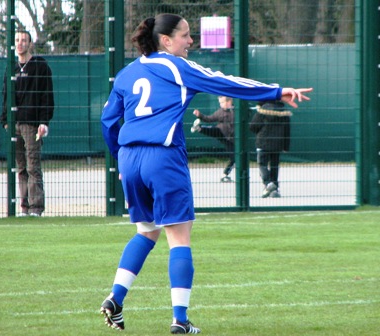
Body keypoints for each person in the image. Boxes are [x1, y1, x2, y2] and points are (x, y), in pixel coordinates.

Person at [100, 13, 312, 334]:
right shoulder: (178, 67)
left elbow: (107, 121)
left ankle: (116, 298)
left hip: (130, 159)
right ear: (166, 40)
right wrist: (276, 91)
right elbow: (225, 82)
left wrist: (119, 160)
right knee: (179, 237)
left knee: (147, 231)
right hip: (163, 156)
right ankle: (180, 321)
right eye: (185, 35)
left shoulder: (128, 72)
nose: (191, 41)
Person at [0, 30, 54, 217]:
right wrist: (5, 120)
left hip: (32, 124)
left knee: (33, 166)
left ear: (30, 43)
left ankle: (36, 208)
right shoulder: (11, 66)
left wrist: (44, 122)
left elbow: (47, 95)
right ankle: (24, 207)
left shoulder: (40, 65)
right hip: (14, 123)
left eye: (24, 40)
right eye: (17, 40)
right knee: (21, 167)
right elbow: (6, 94)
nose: (20, 43)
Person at [249, 101, 292, 198]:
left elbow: (253, 126)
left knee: (262, 164)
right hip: (278, 143)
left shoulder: (262, 110)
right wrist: (285, 146)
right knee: (274, 166)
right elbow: (287, 130)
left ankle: (268, 183)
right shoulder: (284, 111)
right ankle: (274, 189)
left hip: (263, 142)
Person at [191, 96, 235, 182]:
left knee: (235, 157)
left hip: (232, 139)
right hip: (222, 133)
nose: (220, 104)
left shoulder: (236, 111)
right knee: (215, 130)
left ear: (229, 102)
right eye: (220, 103)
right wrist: (200, 115)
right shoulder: (220, 112)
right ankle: (200, 128)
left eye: (222, 102)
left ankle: (225, 175)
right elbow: (209, 119)